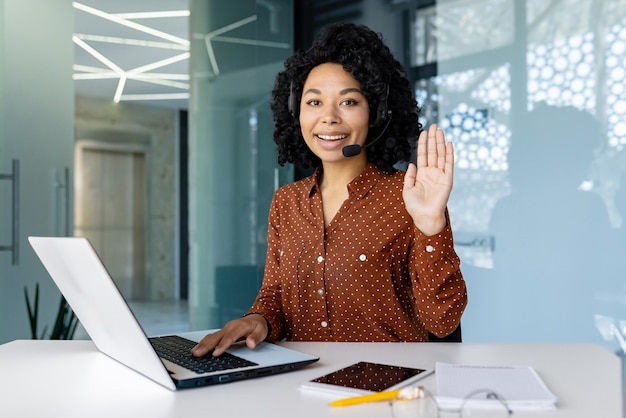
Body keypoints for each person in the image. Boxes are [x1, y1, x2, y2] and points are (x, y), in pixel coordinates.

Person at [192, 22, 467, 358]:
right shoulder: (286, 202)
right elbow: (274, 295)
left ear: (376, 113)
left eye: (348, 102)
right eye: (314, 102)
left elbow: (442, 321)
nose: (329, 117)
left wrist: (431, 226)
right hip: (297, 386)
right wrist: (258, 319)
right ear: (296, 112)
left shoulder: (409, 197)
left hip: (385, 391)